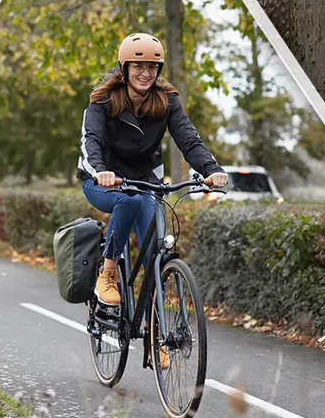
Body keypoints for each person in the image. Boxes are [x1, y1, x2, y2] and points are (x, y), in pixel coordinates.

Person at [78, 33, 229, 310]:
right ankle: (108, 272)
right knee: (129, 200)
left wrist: (212, 169)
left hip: (145, 182)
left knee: (155, 255)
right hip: (103, 182)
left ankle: (159, 340)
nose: (145, 73)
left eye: (152, 67)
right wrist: (100, 171)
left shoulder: (166, 102)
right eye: (138, 66)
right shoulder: (103, 101)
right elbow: (91, 143)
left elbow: (189, 140)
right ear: (124, 68)